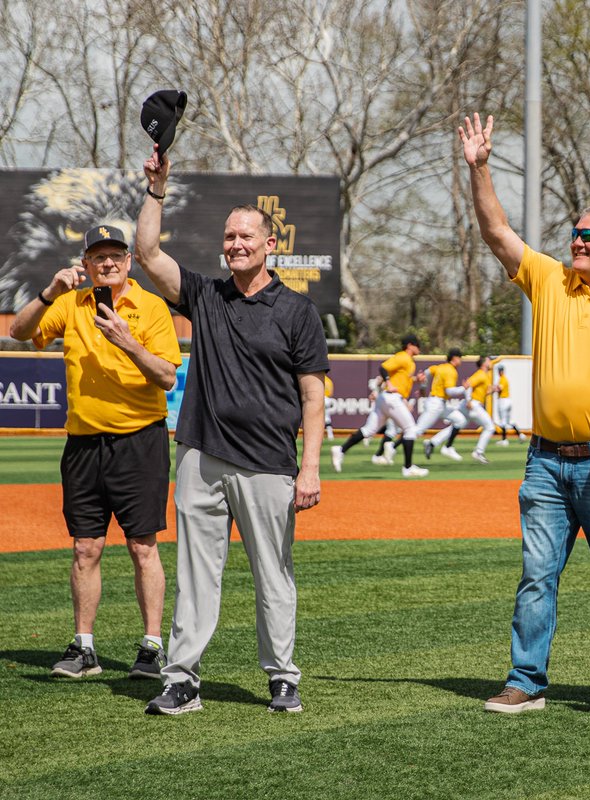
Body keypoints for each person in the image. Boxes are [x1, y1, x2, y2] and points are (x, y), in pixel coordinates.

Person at [460, 113, 590, 714]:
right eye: (574, 233)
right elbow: (496, 231)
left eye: (588, 235)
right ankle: (525, 681)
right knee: (537, 575)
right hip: (545, 461)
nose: (576, 241)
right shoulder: (550, 280)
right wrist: (480, 168)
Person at [136, 146, 329, 715]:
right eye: (229, 237)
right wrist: (157, 189)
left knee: (273, 575)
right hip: (202, 456)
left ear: (271, 245)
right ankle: (182, 679)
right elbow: (147, 253)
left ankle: (283, 677)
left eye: (247, 236)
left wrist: (310, 468)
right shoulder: (206, 296)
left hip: (269, 463)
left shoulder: (296, 311)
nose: (236, 244)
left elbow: (313, 396)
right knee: (196, 574)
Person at [9, 225, 181, 681]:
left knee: (142, 546)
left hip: (139, 441)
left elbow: (167, 376)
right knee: (85, 547)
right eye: (98, 257)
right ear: (85, 263)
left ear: (129, 262)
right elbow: (18, 331)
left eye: (115, 256)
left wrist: (127, 340)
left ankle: (151, 646)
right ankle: (83, 647)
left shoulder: (151, 307)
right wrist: (50, 292)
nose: (107, 263)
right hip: (84, 443)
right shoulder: (71, 302)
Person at [331, 334, 429, 477]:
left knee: (369, 430)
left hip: (386, 399)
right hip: (392, 398)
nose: (419, 348)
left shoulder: (409, 362)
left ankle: (340, 450)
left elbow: (401, 378)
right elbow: (383, 367)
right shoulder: (403, 357)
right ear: (409, 345)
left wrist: (415, 380)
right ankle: (408, 468)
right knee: (410, 429)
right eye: (417, 345)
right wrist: (388, 382)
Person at [429, 355, 496, 463]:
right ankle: (478, 452)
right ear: (484, 363)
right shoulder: (481, 374)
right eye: (489, 361)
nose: (490, 362)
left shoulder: (485, 375)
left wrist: (492, 390)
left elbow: (482, 392)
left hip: (470, 405)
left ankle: (433, 442)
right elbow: (468, 384)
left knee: (458, 425)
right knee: (490, 427)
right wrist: (468, 400)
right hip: (473, 405)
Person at [417, 349, 470, 461]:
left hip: (439, 404)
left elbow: (426, 372)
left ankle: (434, 444)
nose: (461, 360)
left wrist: (423, 387)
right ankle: (392, 446)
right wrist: (463, 388)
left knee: (460, 421)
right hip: (435, 405)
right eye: (460, 358)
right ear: (455, 358)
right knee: (417, 430)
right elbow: (449, 391)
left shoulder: (439, 367)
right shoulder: (451, 371)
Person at [493, 364, 526, 445]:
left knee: (503, 421)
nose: (499, 372)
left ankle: (504, 440)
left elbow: (499, 388)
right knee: (509, 420)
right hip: (508, 400)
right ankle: (520, 435)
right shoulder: (504, 379)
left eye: (499, 370)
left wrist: (492, 389)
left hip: (503, 401)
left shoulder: (502, 379)